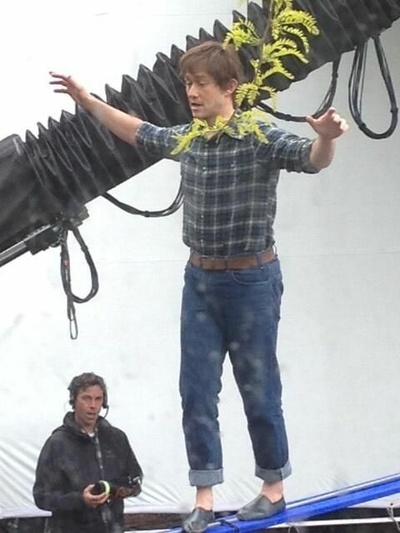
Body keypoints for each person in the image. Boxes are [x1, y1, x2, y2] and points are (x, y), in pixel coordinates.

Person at [49, 40, 348, 533]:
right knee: (196, 392)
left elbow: (311, 158)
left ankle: (273, 489)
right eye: (187, 83)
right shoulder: (188, 139)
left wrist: (328, 138)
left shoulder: (258, 136)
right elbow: (137, 131)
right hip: (201, 282)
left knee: (259, 389)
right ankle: (204, 498)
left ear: (229, 87)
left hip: (251, 281)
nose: (190, 92)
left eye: (200, 84)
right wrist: (86, 100)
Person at [33, 372, 143, 533]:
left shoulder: (117, 438)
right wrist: (80, 499)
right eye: (86, 398)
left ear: (104, 403)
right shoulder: (57, 443)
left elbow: (135, 479)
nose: (93, 405)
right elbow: (42, 497)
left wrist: (121, 490)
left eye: (98, 399)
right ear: (73, 401)